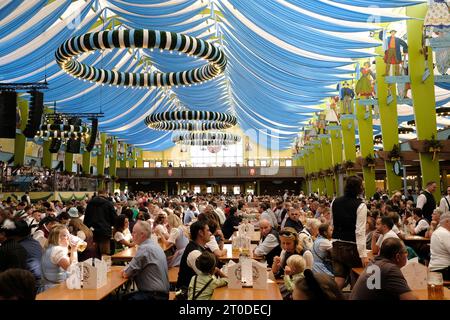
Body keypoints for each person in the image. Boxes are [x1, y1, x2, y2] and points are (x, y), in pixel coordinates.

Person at [331, 175, 368, 290]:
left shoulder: (335, 201)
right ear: (359, 188)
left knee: (339, 279)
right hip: (351, 247)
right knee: (357, 279)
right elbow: (360, 232)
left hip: (336, 244)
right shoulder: (361, 205)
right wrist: (363, 255)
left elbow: (333, 223)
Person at [350, 238, 417, 300]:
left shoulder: (373, 262)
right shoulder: (390, 269)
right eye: (406, 252)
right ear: (398, 256)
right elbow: (409, 298)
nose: (407, 255)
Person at [121, 221, 169, 300]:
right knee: (124, 297)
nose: (132, 235)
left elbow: (127, 273)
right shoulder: (155, 245)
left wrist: (125, 270)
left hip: (154, 295)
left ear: (142, 234)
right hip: (162, 293)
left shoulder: (144, 248)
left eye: (134, 233)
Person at [176, 221, 212, 294]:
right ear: (201, 233)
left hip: (195, 291)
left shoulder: (201, 247)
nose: (210, 233)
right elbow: (206, 278)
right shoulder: (194, 252)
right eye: (208, 230)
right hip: (188, 294)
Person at [40, 224, 78, 292]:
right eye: (66, 235)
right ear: (58, 238)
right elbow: (73, 270)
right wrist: (74, 250)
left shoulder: (49, 247)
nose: (69, 238)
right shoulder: (58, 251)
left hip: (49, 288)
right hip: (57, 290)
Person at [84, 189, 116, 257]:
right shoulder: (109, 204)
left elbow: (86, 219)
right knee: (105, 254)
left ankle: (93, 267)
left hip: (92, 232)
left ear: (98, 193)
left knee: (93, 253)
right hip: (105, 232)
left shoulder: (90, 203)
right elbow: (114, 219)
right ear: (106, 193)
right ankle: (104, 267)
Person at [429, 213, 450, 280]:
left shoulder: (438, 231)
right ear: (447, 221)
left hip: (436, 269)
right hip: (443, 270)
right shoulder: (445, 233)